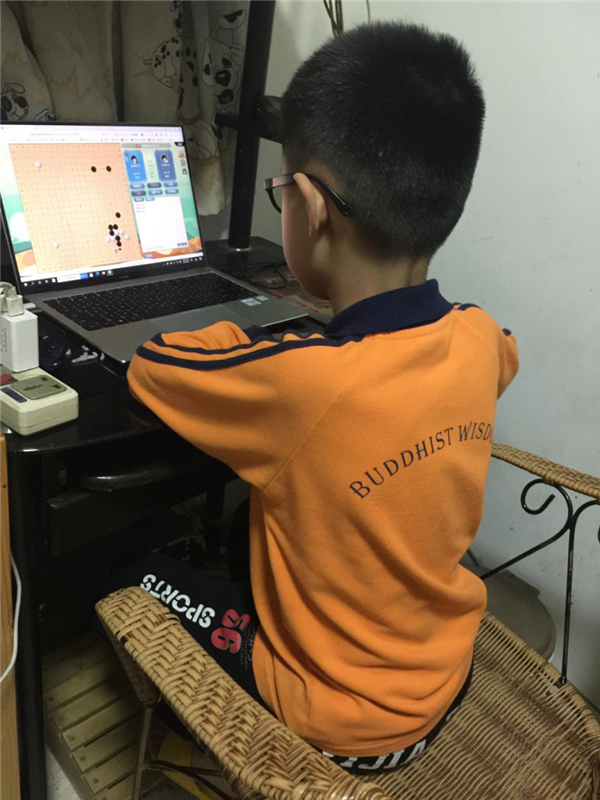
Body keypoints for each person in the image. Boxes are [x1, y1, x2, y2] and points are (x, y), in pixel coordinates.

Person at [121, 21, 519, 776]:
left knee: (132, 574)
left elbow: (153, 365)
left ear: (309, 206)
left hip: (348, 728)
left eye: (280, 192)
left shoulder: (304, 384)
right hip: (445, 671)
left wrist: (249, 337)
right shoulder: (479, 337)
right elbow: (504, 356)